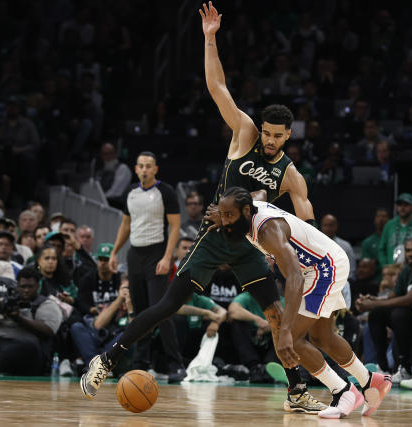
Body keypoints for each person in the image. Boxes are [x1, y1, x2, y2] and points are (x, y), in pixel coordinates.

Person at [81, 3, 324, 414]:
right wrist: (210, 37)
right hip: (213, 237)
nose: (270, 141)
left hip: (250, 246)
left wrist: (316, 251)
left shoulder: (289, 175)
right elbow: (218, 87)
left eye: (278, 137)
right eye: (267, 133)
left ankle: (296, 390)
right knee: (165, 308)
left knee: (278, 316)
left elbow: (307, 215)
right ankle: (105, 360)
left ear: (288, 137)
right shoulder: (245, 133)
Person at [217, 188, 392, 417]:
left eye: (229, 215)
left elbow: (295, 278)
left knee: (292, 340)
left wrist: (287, 329)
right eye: (222, 214)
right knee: (322, 338)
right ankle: (371, 381)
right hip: (325, 261)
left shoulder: (269, 231)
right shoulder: (250, 206)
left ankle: (343, 390)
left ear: (246, 211)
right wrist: (222, 212)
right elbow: (260, 192)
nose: (224, 221)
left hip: (321, 268)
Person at [106, 151, 184, 382]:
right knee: (139, 314)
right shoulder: (130, 192)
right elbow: (126, 224)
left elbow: (175, 227)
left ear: (155, 169)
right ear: (135, 168)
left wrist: (167, 257)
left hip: (156, 254)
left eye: (149, 166)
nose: (144, 170)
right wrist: (113, 252)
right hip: (135, 255)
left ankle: (175, 364)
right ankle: (140, 363)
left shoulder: (165, 192)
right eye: (141, 166)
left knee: (161, 311)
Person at [356, 237, 412, 382]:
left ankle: (404, 367)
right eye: (408, 250)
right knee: (376, 314)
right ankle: (382, 367)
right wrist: (371, 300)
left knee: (399, 314)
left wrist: (374, 304)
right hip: (408, 318)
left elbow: (410, 299)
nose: (410, 254)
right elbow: (393, 296)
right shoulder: (407, 269)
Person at [378, 193, 412, 266]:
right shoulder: (389, 225)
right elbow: (381, 249)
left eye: (406, 205)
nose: (402, 207)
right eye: (399, 205)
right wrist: (384, 265)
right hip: (392, 269)